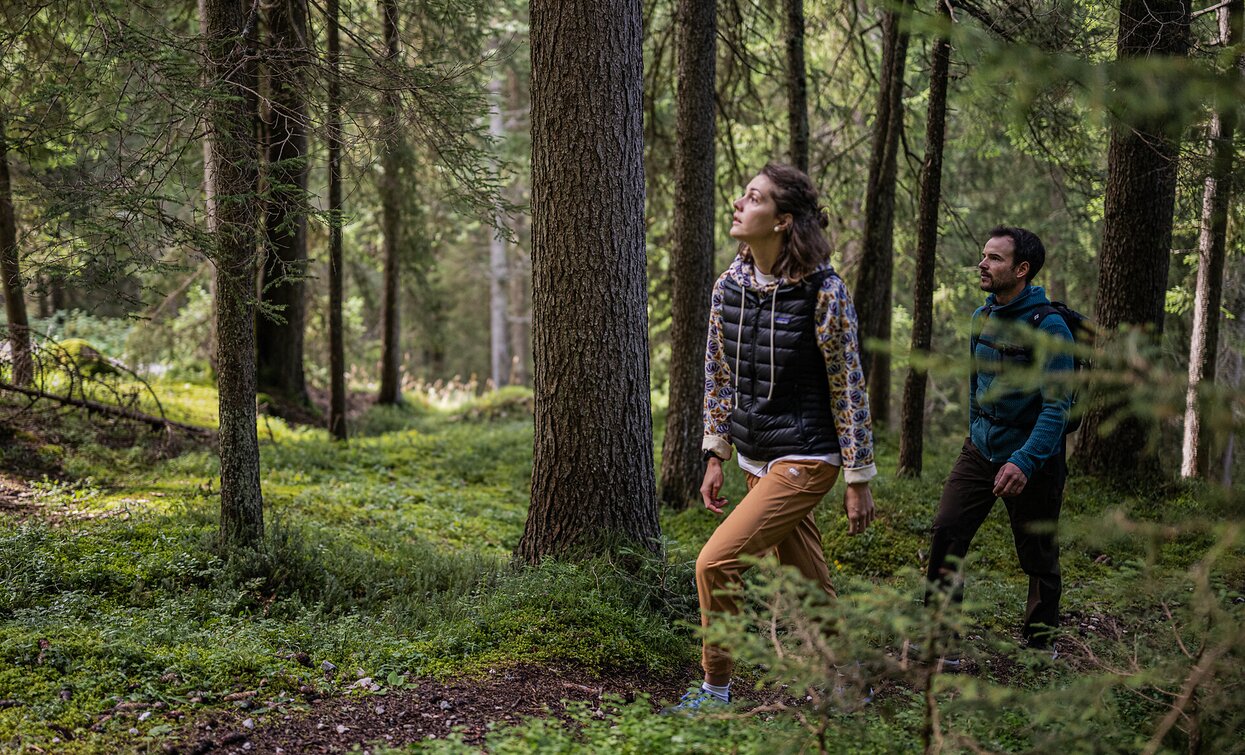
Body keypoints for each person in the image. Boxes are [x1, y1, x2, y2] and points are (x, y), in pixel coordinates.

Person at [674, 163, 877, 711]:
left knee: (714, 563)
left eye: (754, 197)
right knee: (807, 577)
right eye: (742, 194)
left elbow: (848, 384)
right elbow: (718, 374)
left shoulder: (824, 291)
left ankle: (716, 690)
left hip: (808, 457)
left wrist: (858, 475)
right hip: (756, 456)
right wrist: (715, 451)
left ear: (783, 220)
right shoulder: (729, 286)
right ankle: (851, 682)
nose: (739, 204)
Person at [924, 226, 1073, 656]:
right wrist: (976, 434)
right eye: (983, 255)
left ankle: (1040, 644)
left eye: (994, 258)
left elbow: (1056, 409)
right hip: (981, 448)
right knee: (947, 531)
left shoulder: (1051, 329)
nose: (983, 264)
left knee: (1038, 552)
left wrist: (1024, 462)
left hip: (1034, 456)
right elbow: (976, 386)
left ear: (1022, 269)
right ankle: (942, 640)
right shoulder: (982, 317)